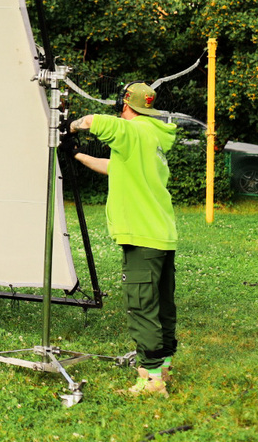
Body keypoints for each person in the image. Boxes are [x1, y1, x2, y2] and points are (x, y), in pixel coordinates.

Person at [65, 81, 178, 397]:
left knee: (142, 307)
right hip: (161, 234)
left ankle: (151, 380)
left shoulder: (132, 131)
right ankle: (164, 367)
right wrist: (78, 155)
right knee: (162, 305)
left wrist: (70, 127)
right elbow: (115, 167)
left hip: (141, 235)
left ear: (125, 105)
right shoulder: (152, 135)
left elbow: (92, 121)